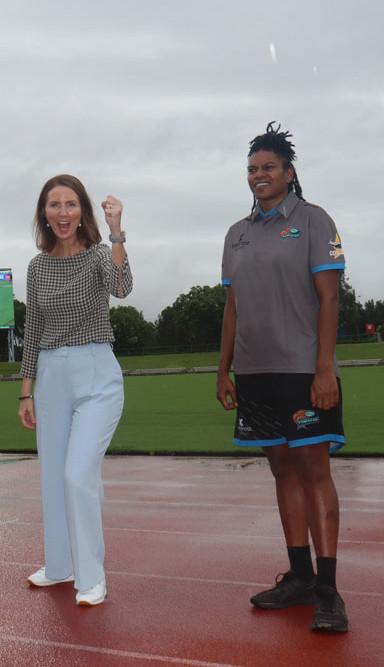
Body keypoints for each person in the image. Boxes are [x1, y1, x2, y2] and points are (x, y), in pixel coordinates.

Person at [217, 122, 348, 633]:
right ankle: (299, 577)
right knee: (282, 472)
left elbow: (330, 298)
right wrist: (224, 368)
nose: (258, 176)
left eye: (268, 167)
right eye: (251, 169)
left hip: (303, 370)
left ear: (289, 173)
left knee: (314, 471)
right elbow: (231, 307)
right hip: (254, 373)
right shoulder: (237, 233)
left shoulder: (315, 221)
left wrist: (324, 369)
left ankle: (330, 592)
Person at [17, 174, 132, 607]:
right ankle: (60, 565)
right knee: (52, 477)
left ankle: (91, 577)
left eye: (70, 205)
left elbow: (121, 288)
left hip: (97, 374)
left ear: (82, 210)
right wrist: (25, 392)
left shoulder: (101, 255)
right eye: (53, 206)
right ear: (43, 214)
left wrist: (118, 230)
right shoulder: (37, 266)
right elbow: (33, 332)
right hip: (49, 377)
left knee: (77, 474)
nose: (62, 214)